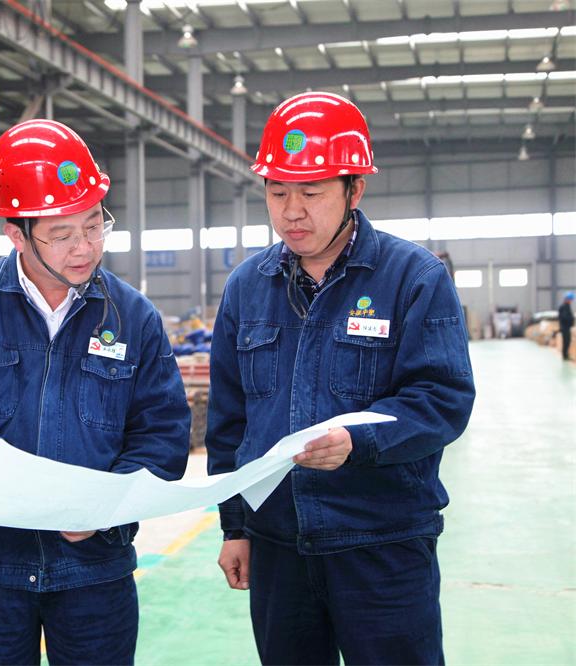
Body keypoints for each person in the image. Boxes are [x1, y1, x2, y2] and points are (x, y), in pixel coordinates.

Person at [206, 92, 476, 665]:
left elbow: (443, 399)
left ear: (355, 191)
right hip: (278, 546)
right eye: (277, 192)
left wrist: (359, 441)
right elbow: (229, 420)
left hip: (380, 544)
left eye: (311, 193)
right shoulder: (247, 287)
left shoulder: (413, 278)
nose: (291, 212)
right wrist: (235, 528)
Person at [0, 118, 190, 665]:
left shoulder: (133, 317)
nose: (84, 248)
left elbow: (164, 433)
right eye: (61, 235)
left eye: (94, 225)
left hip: (96, 572)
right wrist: (23, 490)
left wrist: (105, 506)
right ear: (16, 234)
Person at [559, 291, 574, 360]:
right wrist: (571, 318)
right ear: (567, 299)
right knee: (566, 341)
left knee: (567, 341)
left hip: (566, 327)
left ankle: (566, 355)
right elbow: (564, 317)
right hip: (564, 327)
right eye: (570, 299)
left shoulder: (567, 306)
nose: (571, 301)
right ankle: (565, 356)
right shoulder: (564, 307)